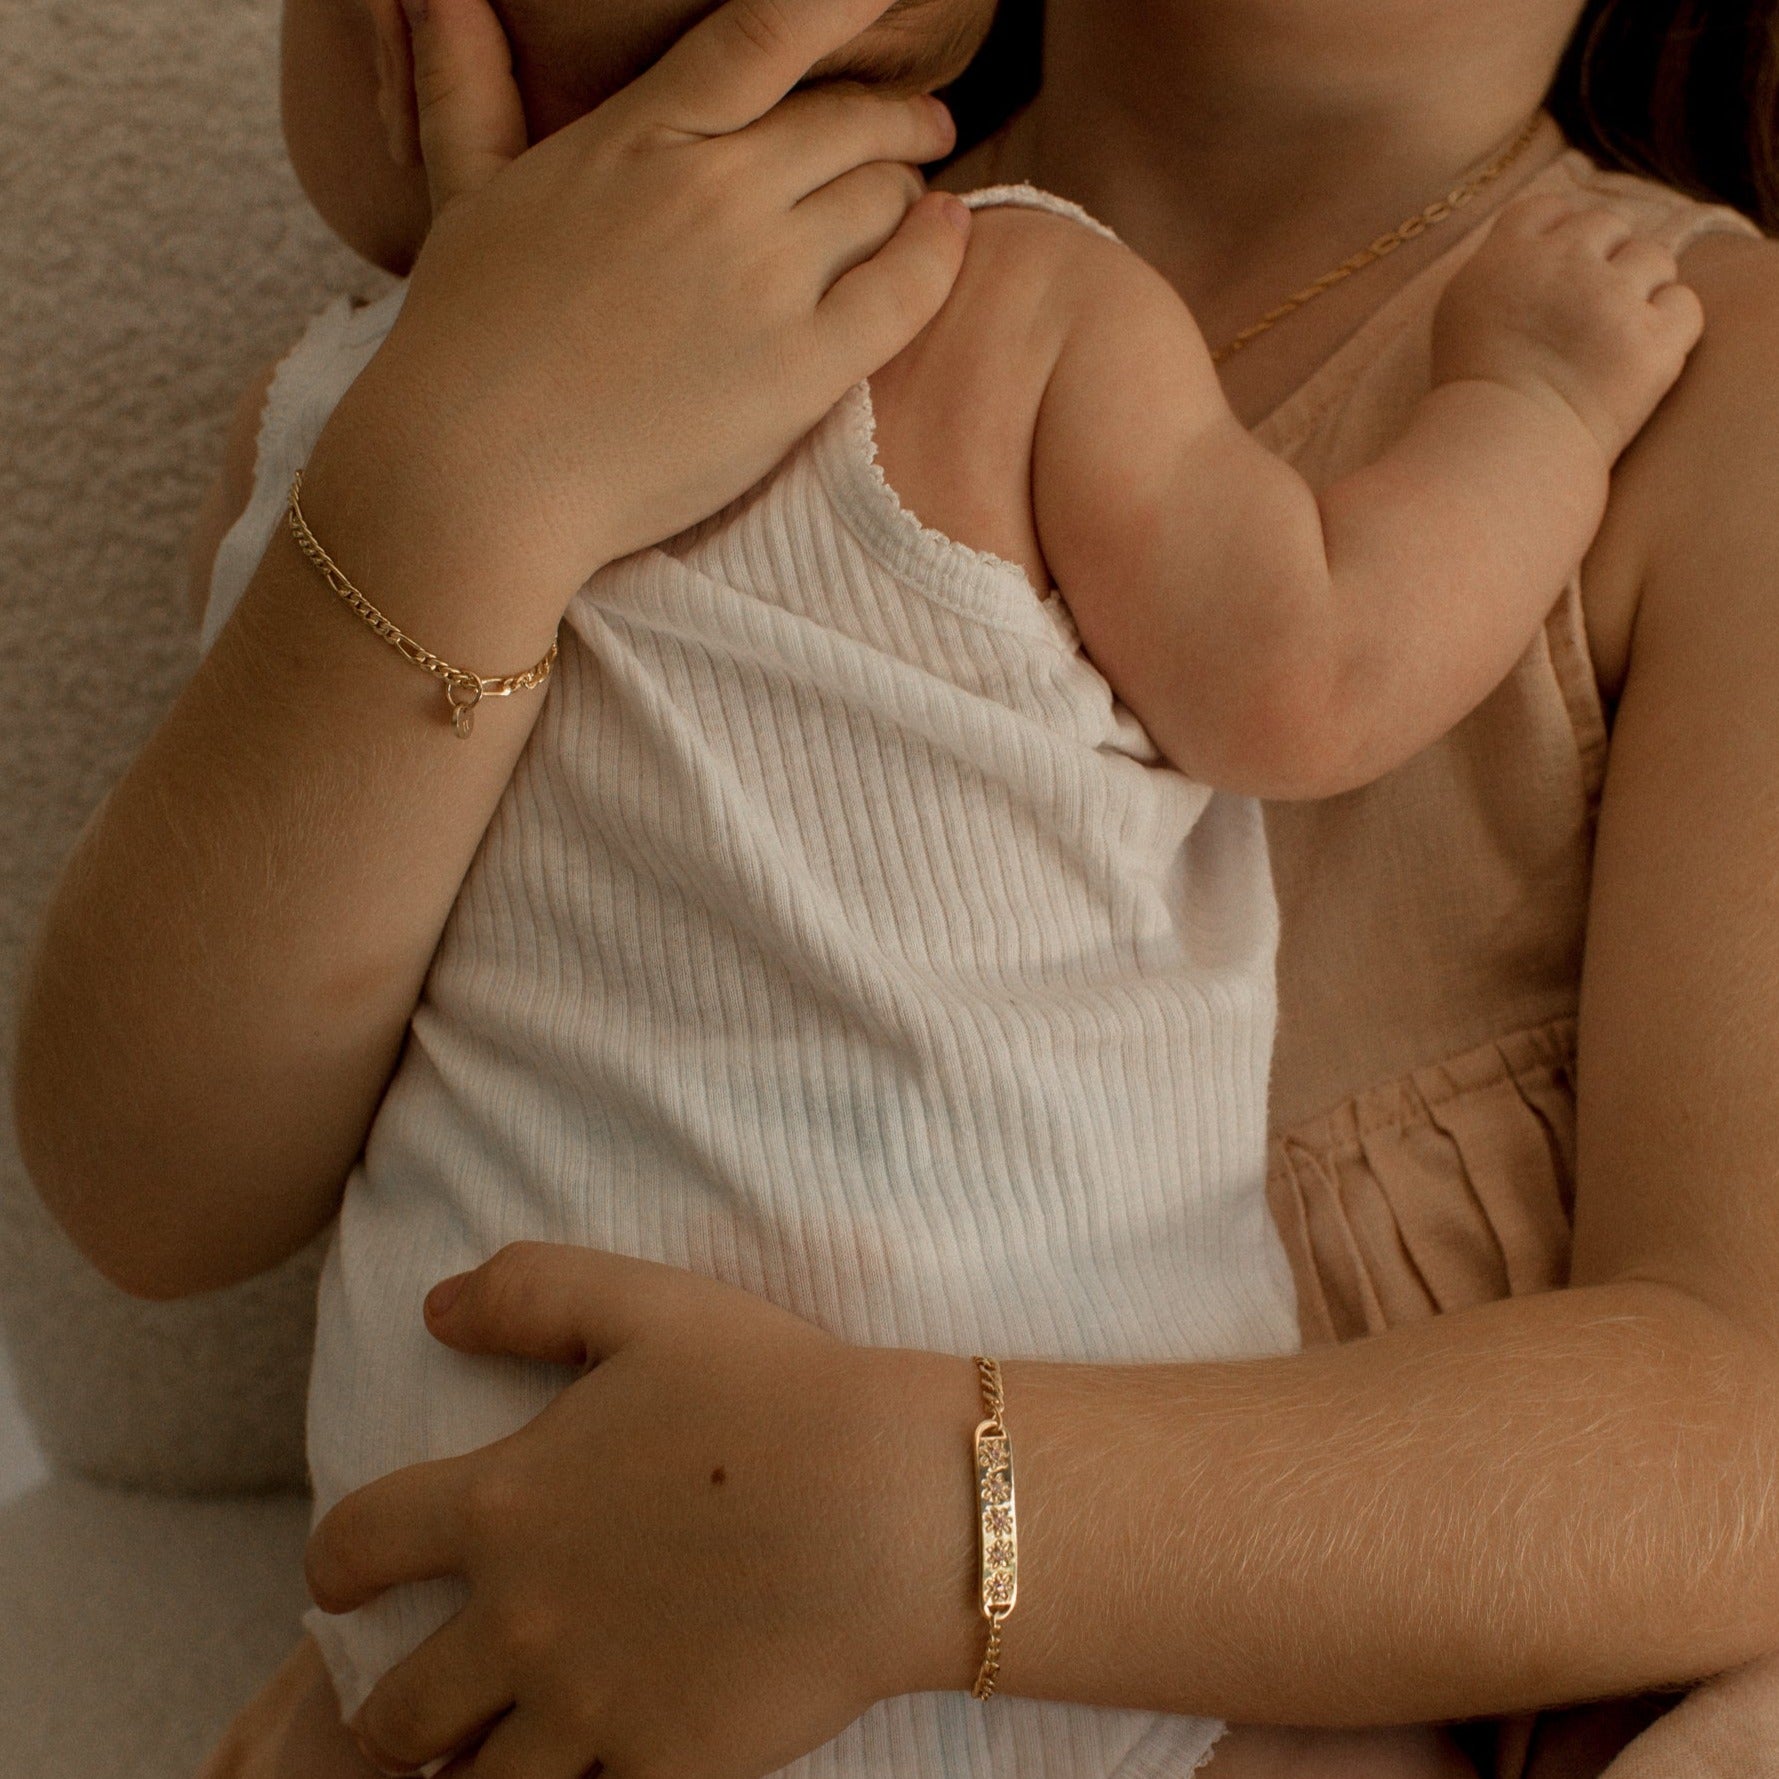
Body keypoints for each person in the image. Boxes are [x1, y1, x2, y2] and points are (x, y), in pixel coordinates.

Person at [13, 3, 1779, 1779]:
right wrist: (464, 487)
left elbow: (1747, 1433)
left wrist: (925, 1530)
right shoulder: (504, 342)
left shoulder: (1705, 378)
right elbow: (148, 1190)